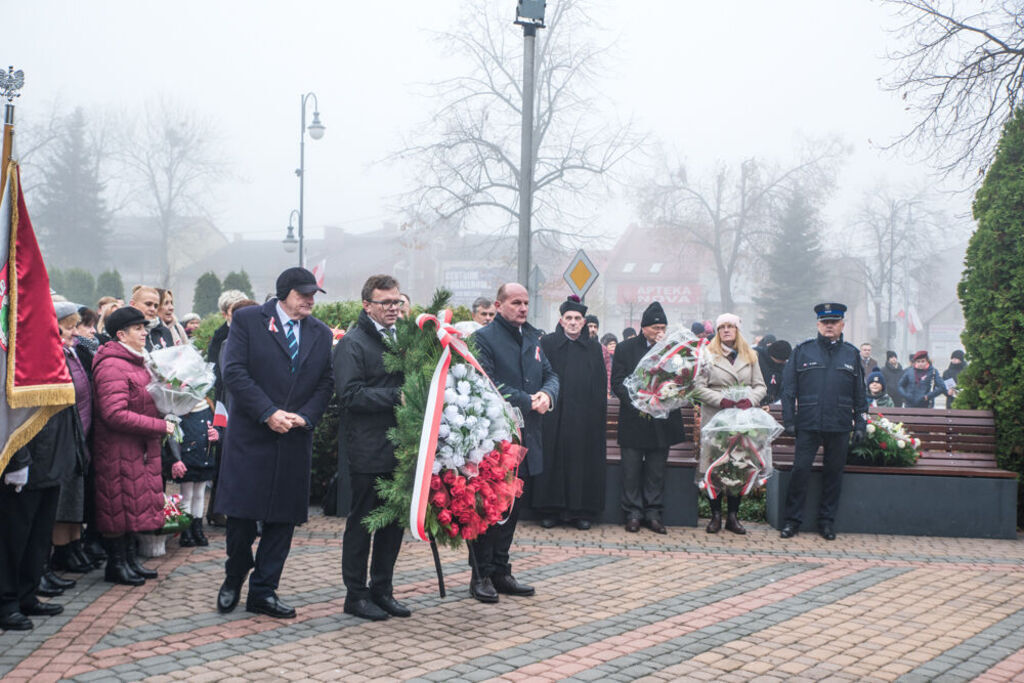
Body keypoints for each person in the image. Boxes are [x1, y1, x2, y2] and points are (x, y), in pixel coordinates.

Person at [213, 268, 333, 620]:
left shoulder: (321, 333)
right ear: (284, 294)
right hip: (252, 434)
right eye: (303, 294)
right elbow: (233, 372)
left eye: (314, 294)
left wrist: (305, 417)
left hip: (293, 437)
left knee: (282, 521)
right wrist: (267, 412)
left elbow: (326, 382)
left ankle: (263, 592)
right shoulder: (249, 320)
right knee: (241, 518)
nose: (310, 300)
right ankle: (234, 576)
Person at [468, 282, 558, 603]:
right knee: (489, 509)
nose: (522, 308)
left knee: (513, 507)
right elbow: (486, 381)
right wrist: (527, 399)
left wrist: (548, 395)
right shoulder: (483, 338)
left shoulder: (533, 337)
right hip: (496, 439)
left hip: (527, 434)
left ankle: (501, 571)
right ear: (499, 304)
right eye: (515, 302)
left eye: (525, 302)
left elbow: (550, 374)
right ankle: (480, 574)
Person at [334, 274, 409, 621]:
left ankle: (383, 589)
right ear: (368, 305)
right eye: (386, 303)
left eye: (397, 302)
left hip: (401, 447)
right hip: (367, 447)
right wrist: (398, 397)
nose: (393, 308)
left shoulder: (403, 338)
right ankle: (356, 594)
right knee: (363, 522)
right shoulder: (352, 343)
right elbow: (350, 396)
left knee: (393, 523)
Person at [92, 306, 176, 585]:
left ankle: (129, 560)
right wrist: (159, 426)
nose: (144, 333)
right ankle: (116, 565)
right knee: (117, 508)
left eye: (144, 328)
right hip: (117, 449)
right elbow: (113, 413)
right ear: (120, 334)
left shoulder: (138, 361)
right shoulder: (112, 364)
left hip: (138, 448)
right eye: (138, 328)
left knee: (131, 507)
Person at [780, 303, 867, 541]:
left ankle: (826, 522)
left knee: (833, 474)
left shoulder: (852, 353)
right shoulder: (803, 351)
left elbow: (860, 394)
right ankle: (792, 521)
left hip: (838, 424)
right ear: (818, 324)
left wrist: (860, 424)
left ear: (842, 325)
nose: (829, 326)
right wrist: (789, 420)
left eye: (834, 322)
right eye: (825, 322)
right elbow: (788, 390)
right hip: (808, 423)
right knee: (800, 472)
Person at [610, 301, 687, 535]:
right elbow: (617, 382)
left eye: (663, 327)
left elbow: (681, 381)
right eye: (655, 328)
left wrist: (667, 396)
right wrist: (640, 401)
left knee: (656, 470)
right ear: (644, 328)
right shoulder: (625, 348)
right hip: (634, 420)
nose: (659, 332)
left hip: (661, 422)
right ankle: (633, 513)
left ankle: (653, 513)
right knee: (631, 470)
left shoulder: (672, 349)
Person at [534, 296, 607, 530]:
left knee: (582, 461)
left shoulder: (594, 348)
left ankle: (582, 511)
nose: (573, 322)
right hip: (553, 415)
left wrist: (596, 418)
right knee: (552, 460)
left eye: (577, 319)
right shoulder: (548, 344)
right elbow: (539, 376)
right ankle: (549, 509)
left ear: (584, 322)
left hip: (584, 418)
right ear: (561, 320)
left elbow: (599, 384)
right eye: (569, 318)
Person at [692, 313, 767, 535]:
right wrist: (720, 400)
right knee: (715, 467)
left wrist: (750, 399)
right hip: (716, 418)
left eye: (730, 327)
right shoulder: (707, 355)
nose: (726, 330)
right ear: (717, 331)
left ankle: (733, 517)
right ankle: (715, 516)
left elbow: (760, 385)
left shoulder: (750, 355)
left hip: (742, 420)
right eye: (722, 327)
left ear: (737, 330)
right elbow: (697, 387)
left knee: (738, 467)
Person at [48, 303, 95, 576]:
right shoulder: (57, 355)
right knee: (62, 497)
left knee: (75, 495)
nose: (75, 333)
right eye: (70, 327)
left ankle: (73, 544)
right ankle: (60, 550)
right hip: (63, 436)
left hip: (81, 433)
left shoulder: (74, 352)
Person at [171, 401, 219, 548]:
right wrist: (176, 458)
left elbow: (215, 427)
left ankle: (197, 528)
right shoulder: (179, 408)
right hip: (188, 457)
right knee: (187, 495)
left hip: (204, 456)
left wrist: (216, 434)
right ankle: (186, 530)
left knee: (199, 494)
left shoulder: (207, 406)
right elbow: (173, 436)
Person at [129, 285, 174, 351]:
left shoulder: (164, 332)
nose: (153, 309)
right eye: (148, 304)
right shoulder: (126, 332)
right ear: (133, 304)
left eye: (156, 306)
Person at [758, 339, 791, 405]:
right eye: (784, 360)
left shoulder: (784, 367)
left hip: (772, 404)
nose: (784, 362)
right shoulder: (756, 356)